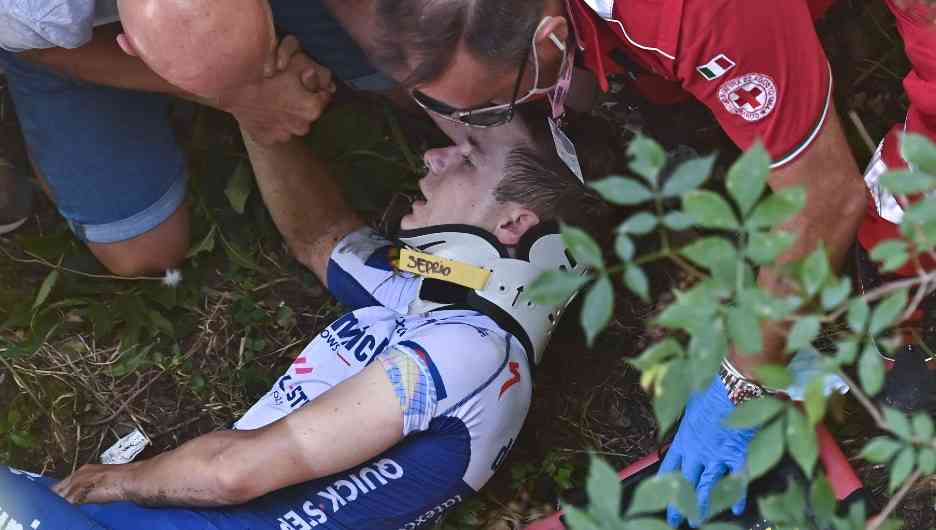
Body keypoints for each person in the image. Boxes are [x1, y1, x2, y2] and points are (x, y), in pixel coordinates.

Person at [311, 0, 936, 527]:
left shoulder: (692, 12)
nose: (452, 142)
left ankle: (904, 273)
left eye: (491, 108)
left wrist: (740, 380)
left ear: (550, 36)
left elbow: (825, 200)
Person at [0, 107, 604, 529]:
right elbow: (320, 236)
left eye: (468, 155)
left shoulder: (474, 352)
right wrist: (249, 102)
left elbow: (235, 474)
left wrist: (121, 481)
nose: (434, 156)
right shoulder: (439, 304)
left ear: (515, 222)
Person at [0, 0, 338, 276]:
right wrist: (244, 97)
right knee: (143, 252)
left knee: (382, 64)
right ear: (131, 46)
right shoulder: (23, 9)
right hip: (57, 44)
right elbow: (46, 50)